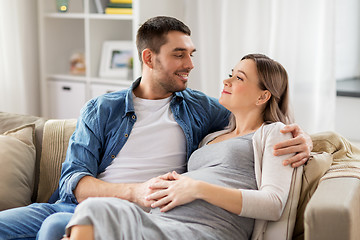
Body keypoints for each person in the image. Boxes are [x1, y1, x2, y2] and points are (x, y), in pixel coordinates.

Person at [0, 16, 311, 240]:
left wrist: (304, 139)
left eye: (191, 54)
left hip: (152, 217)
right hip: (77, 205)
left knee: (54, 230)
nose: (190, 64)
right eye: (179, 54)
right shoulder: (102, 109)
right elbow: (73, 181)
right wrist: (136, 192)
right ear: (149, 58)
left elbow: (260, 124)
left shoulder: (201, 110)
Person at [63, 53, 298, 240]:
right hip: (160, 221)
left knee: (92, 214)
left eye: (239, 78)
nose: (226, 81)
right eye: (231, 74)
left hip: (206, 230)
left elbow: (273, 204)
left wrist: (197, 189)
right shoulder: (212, 136)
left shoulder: (274, 133)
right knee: (94, 209)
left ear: (262, 96)